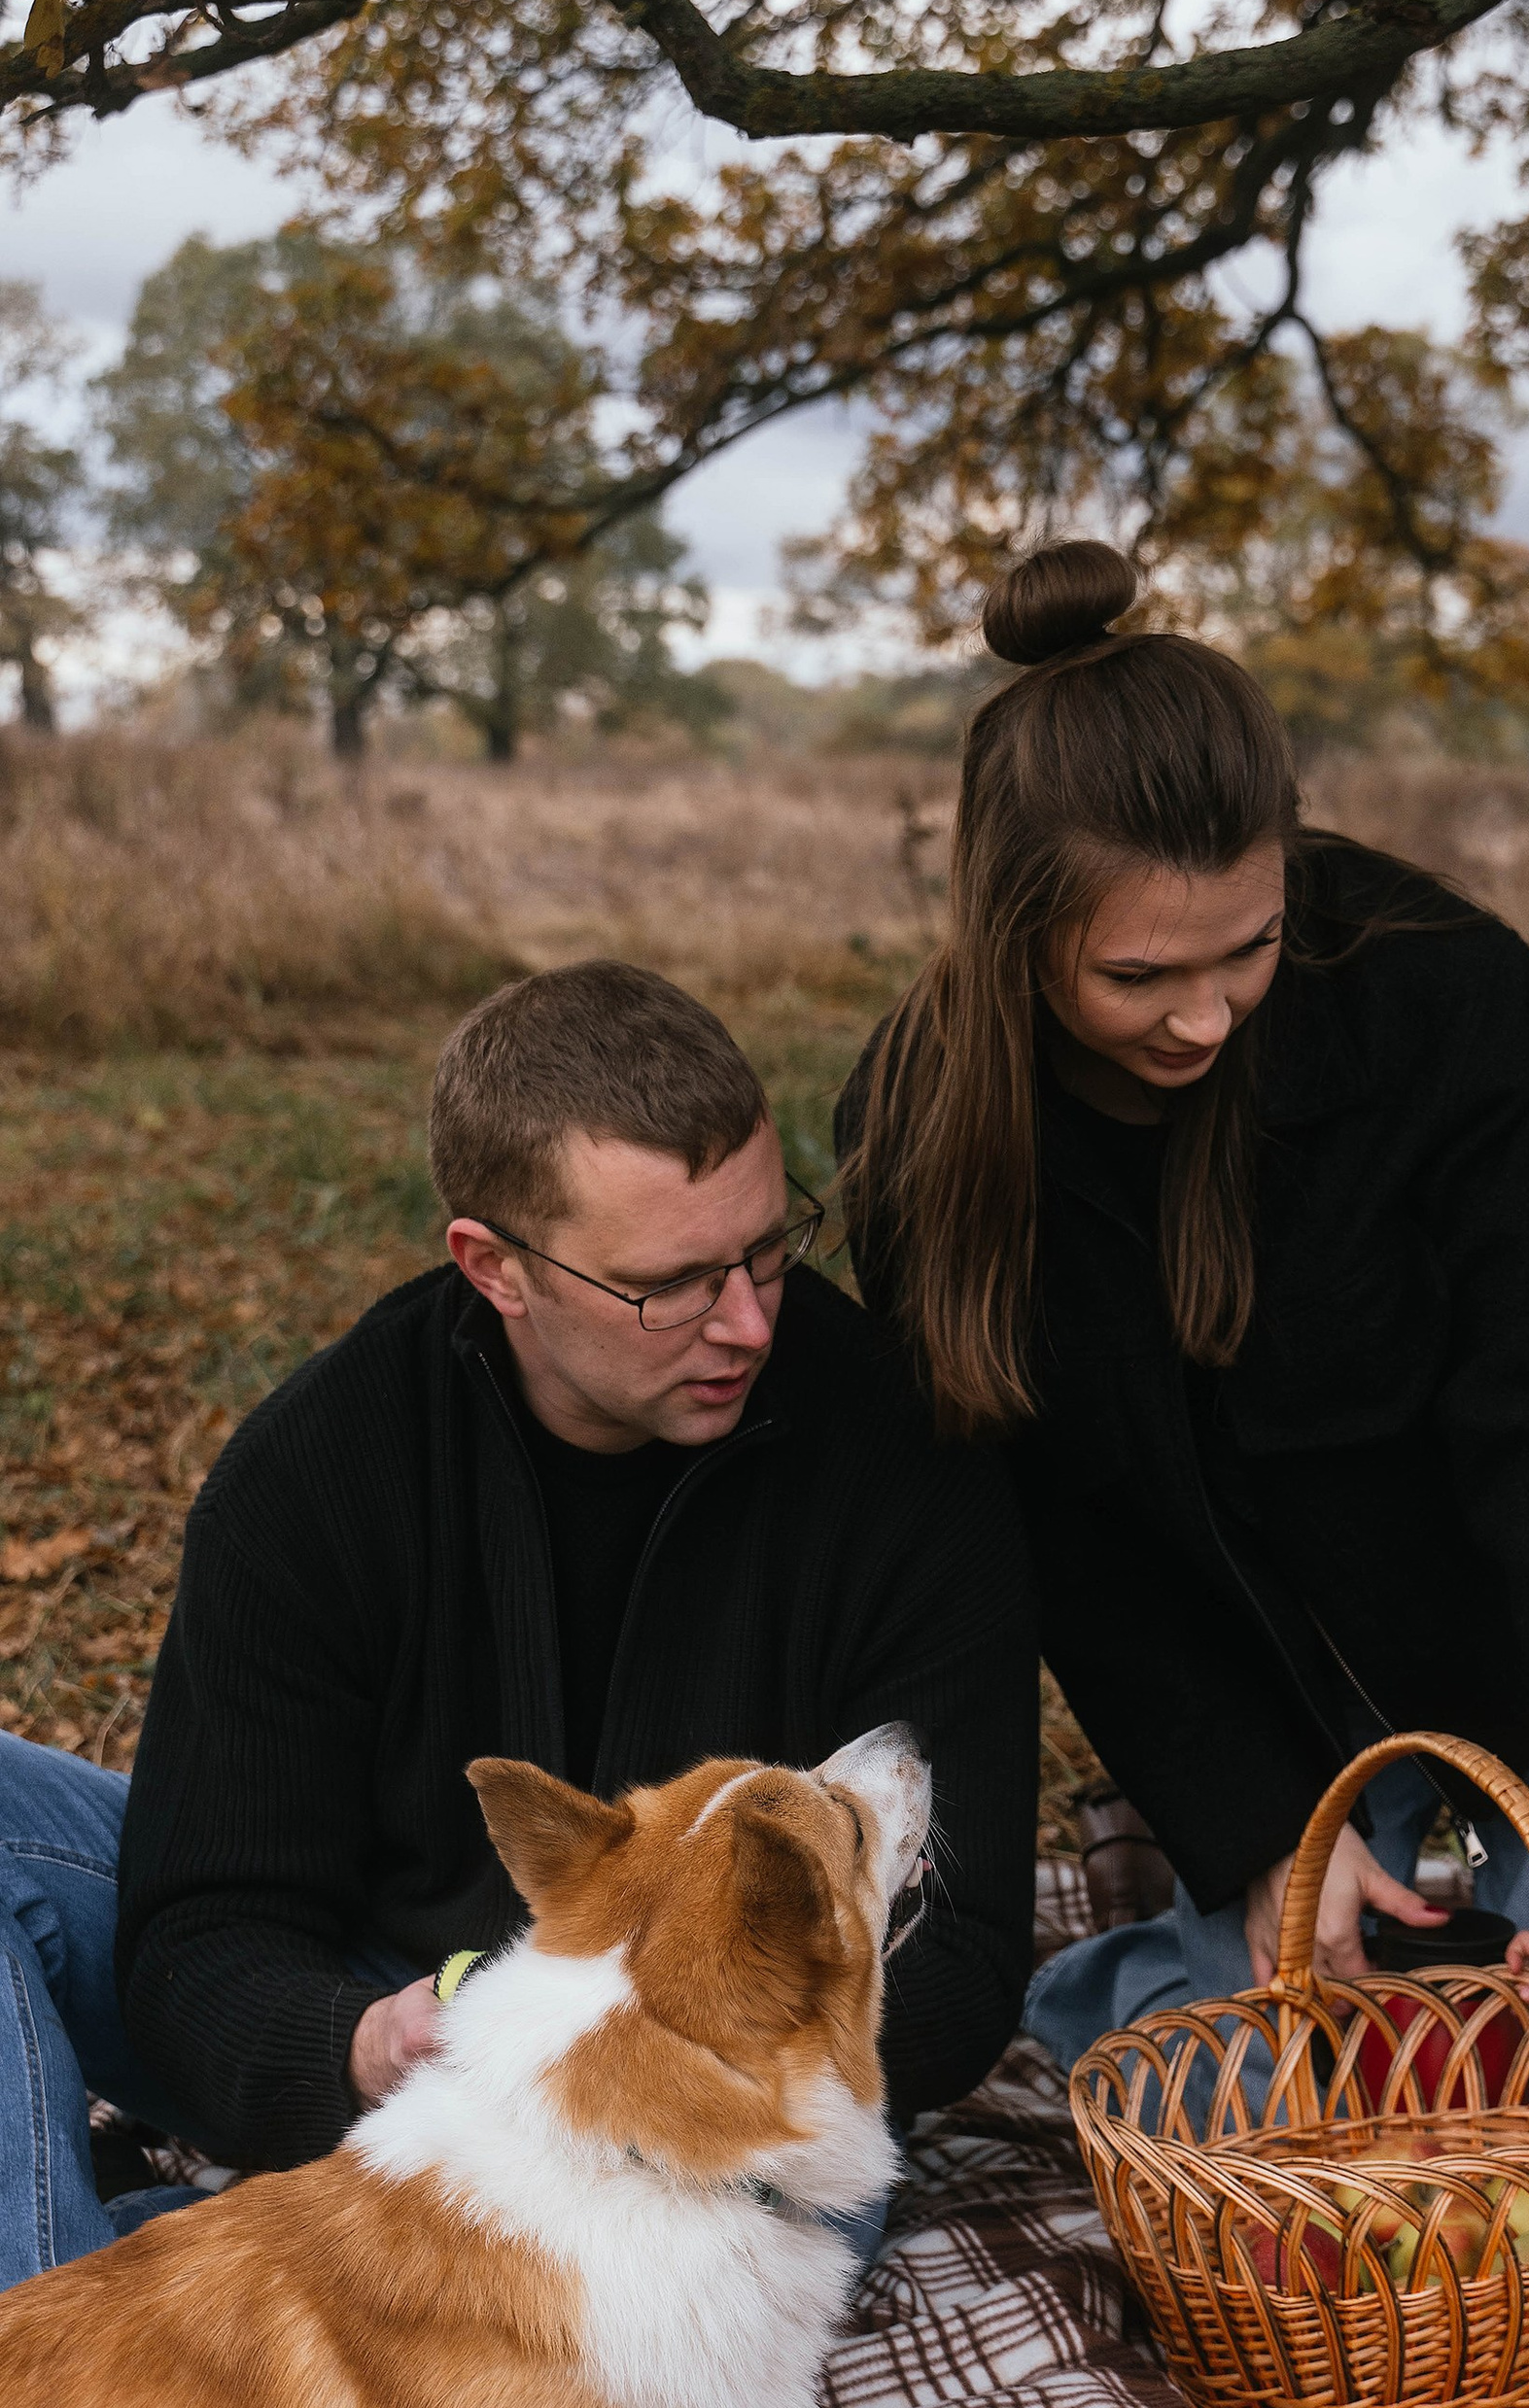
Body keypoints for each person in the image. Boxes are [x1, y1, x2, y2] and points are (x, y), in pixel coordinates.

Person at [837, 538, 1529, 2055]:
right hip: (1259, 1689)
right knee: (1285, 2071)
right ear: (1015, 931)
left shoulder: (1441, 994)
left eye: (1251, 947)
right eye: (1139, 977)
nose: (1206, 1018)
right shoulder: (917, 1137)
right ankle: (1133, 1986)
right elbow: (1067, 1541)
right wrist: (1259, 1817)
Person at [0, 961, 1036, 2293]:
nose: (746, 1321)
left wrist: (655, 2052)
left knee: (643, 2300)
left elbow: (962, 1946)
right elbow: (203, 1934)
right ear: (494, 1267)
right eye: (669, 1285)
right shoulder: (315, 1475)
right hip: (405, 2009)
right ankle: (42, 2342)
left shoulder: (905, 1459)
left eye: (769, 1248)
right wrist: (361, 2041)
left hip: (721, 2095)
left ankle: (232, 2287)